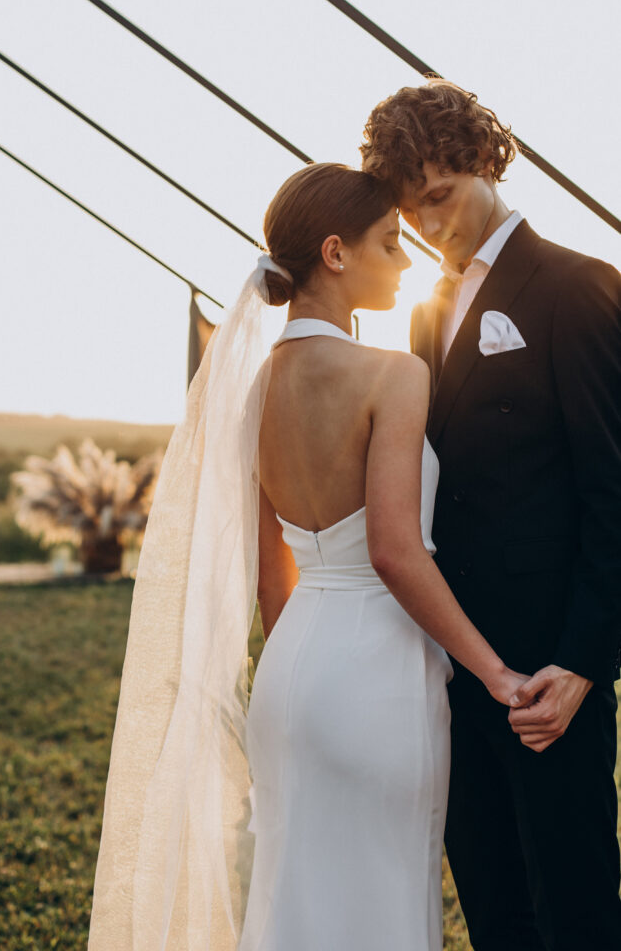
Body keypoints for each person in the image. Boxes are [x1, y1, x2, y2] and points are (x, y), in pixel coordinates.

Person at [88, 162, 527, 951]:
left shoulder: (253, 386)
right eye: (390, 244)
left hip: (292, 672)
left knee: (297, 900)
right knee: (382, 899)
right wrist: (494, 672)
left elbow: (272, 571)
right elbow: (395, 552)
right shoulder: (393, 374)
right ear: (334, 253)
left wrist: (305, 661)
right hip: (376, 677)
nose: (404, 262)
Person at [361, 79, 621, 951]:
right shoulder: (424, 314)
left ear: (482, 159)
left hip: (551, 675)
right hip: (452, 664)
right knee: (491, 903)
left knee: (575, 906)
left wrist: (583, 663)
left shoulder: (578, 287)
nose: (430, 227)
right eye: (412, 212)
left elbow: (611, 492)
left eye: (438, 197)